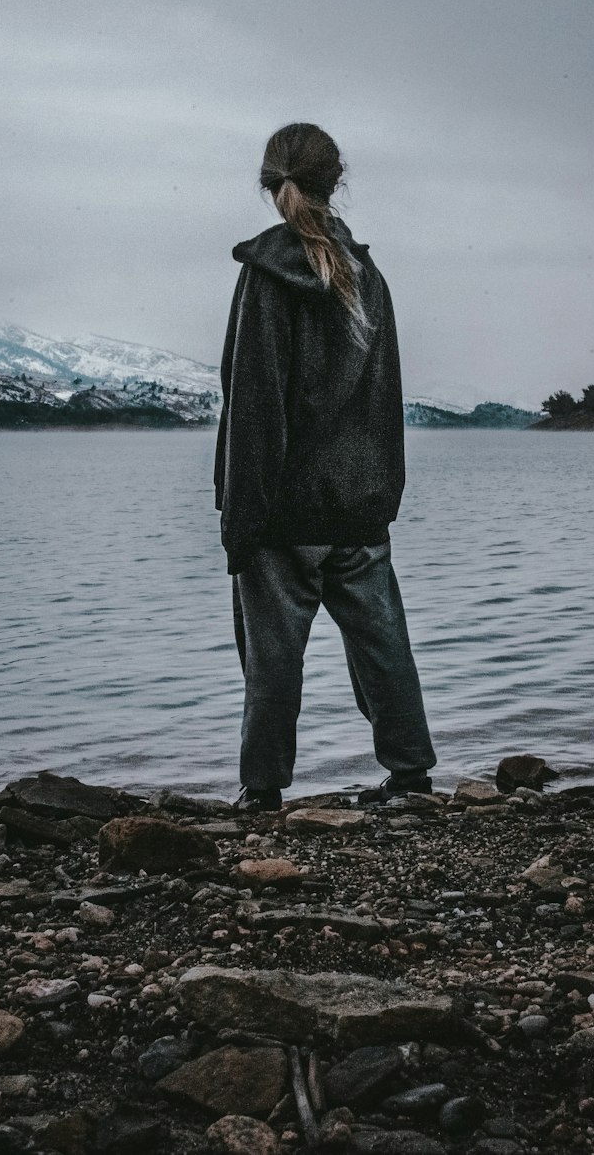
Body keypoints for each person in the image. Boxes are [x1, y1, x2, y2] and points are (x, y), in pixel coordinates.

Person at [214, 122, 437, 813]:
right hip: (358, 501)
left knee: (273, 658)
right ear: (333, 180)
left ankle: (262, 793)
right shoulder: (367, 274)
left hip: (286, 509)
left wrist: (241, 520)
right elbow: (384, 397)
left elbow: (254, 405)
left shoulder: (268, 276)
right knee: (382, 644)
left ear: (269, 184)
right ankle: (411, 777)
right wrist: (383, 494)